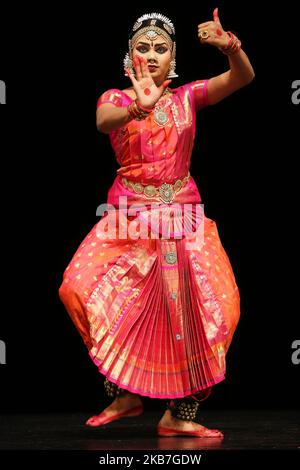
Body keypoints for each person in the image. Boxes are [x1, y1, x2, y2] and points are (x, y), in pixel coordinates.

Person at [59, 9, 254, 438]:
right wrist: (135, 108)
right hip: (128, 219)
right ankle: (123, 393)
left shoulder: (187, 97)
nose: (151, 55)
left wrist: (231, 49)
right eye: (142, 47)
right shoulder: (115, 98)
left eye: (160, 48)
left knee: (215, 309)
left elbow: (241, 78)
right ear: (129, 56)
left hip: (183, 217)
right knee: (76, 286)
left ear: (173, 59)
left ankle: (179, 414)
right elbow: (101, 121)